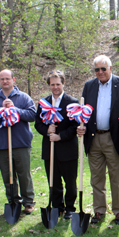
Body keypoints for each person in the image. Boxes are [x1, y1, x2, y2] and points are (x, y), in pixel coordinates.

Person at [77, 55, 119, 224]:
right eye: (97, 69)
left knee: (117, 177)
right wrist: (82, 126)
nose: (100, 72)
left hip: (113, 136)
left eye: (103, 69)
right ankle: (99, 210)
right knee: (97, 177)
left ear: (111, 68)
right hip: (93, 138)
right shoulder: (89, 86)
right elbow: (84, 110)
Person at [0, 69, 37, 215]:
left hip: (21, 143)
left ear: (14, 80)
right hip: (2, 144)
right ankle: (13, 200)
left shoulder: (23, 97)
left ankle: (28, 202)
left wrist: (15, 110)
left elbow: (32, 115)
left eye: (7, 78)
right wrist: (0, 111)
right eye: (2, 79)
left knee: (23, 174)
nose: (5, 81)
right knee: (8, 175)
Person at [35, 71, 79, 219]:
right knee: (53, 181)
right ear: (49, 85)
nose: (55, 87)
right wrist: (47, 131)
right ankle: (57, 207)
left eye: (58, 84)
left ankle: (70, 208)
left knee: (70, 182)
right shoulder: (44, 103)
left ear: (63, 84)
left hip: (68, 149)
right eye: (52, 84)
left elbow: (75, 126)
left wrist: (60, 136)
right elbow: (37, 124)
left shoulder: (72, 102)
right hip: (50, 149)